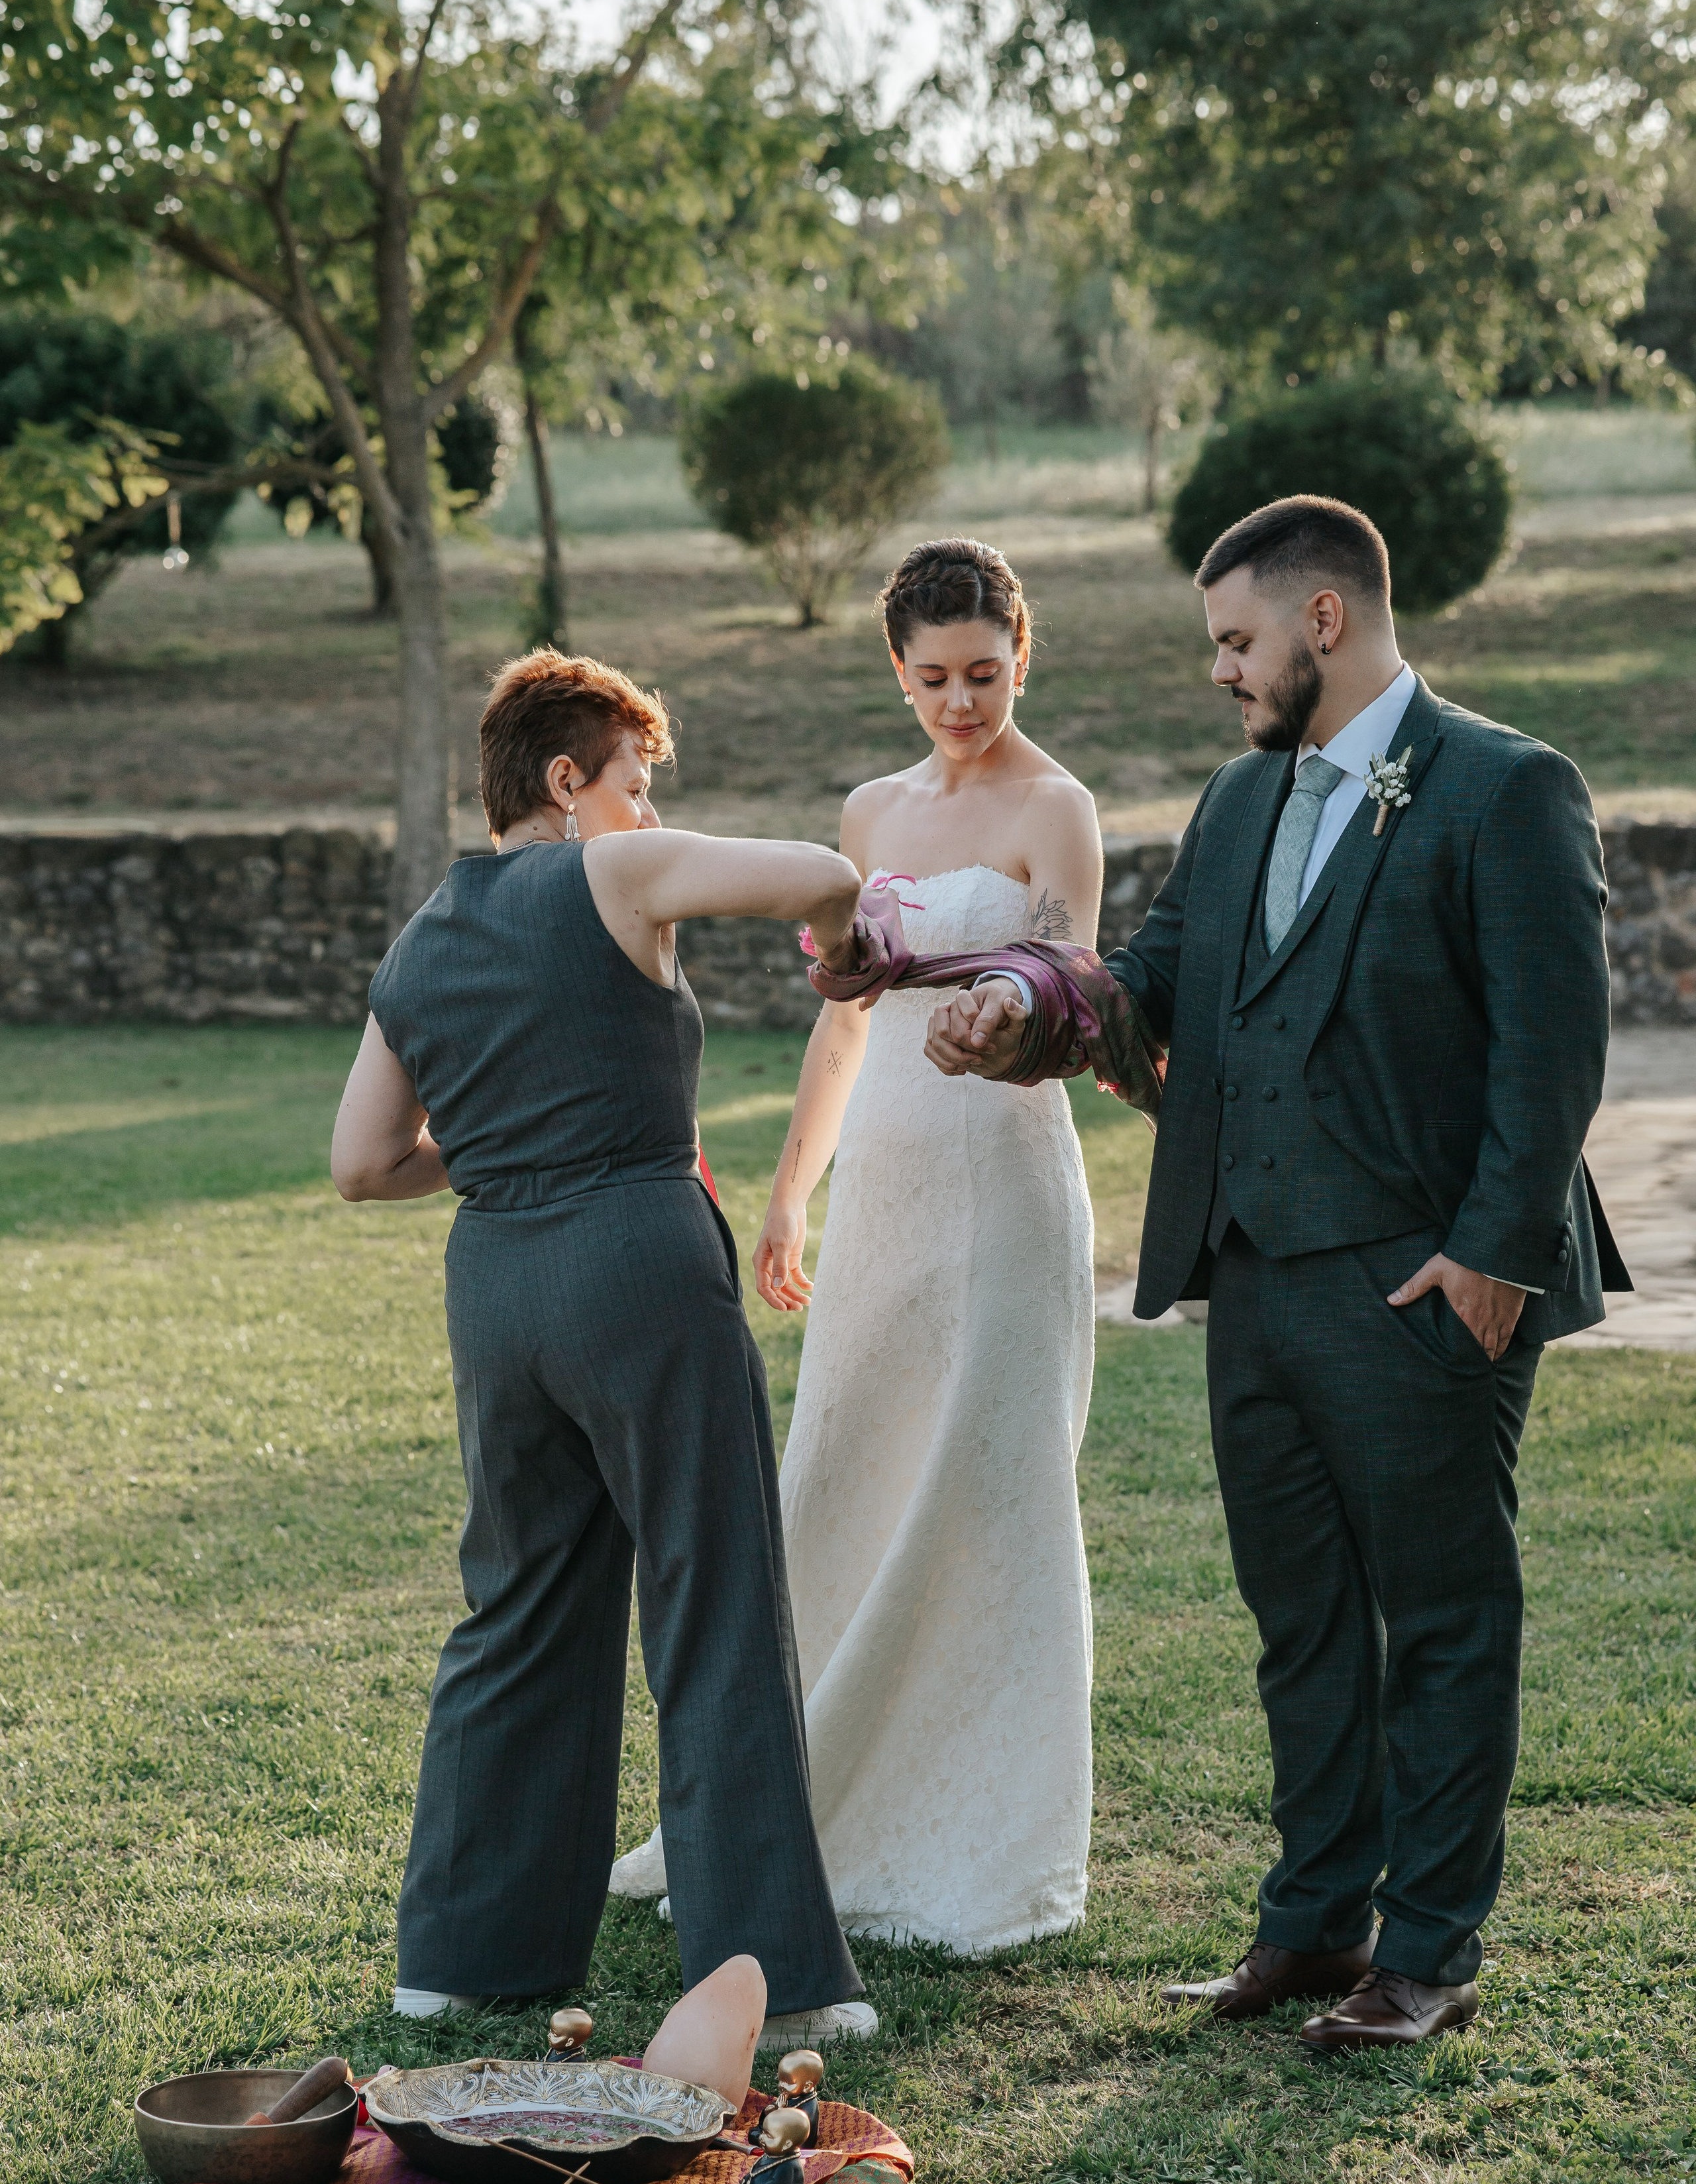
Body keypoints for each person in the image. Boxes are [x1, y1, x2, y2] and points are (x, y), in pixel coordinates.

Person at [928, 497, 1628, 2049]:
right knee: (1299, 1620)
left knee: (1440, 1620)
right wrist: (1022, 1007)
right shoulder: (1241, 797)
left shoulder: (1505, 786)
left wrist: (1491, 1258)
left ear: (1324, 619)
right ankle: (1312, 1931)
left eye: (1235, 640)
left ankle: (1425, 1953)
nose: (1220, 671)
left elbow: (1550, 1045)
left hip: (1423, 1285)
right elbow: (1153, 978)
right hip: (1249, 1276)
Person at [330, 648, 874, 2051]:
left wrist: (499, 1153)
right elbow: (821, 869)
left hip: (496, 1288)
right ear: (566, 780)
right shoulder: (615, 872)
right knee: (713, 1602)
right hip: (638, 1261)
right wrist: (845, 946)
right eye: (636, 783)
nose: (647, 811)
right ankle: (775, 1979)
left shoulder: (422, 937)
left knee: (515, 1608)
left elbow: (362, 1164)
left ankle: (462, 1960)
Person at [611, 539, 1103, 1951]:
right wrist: (789, 1195)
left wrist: (1011, 1014)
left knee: (994, 1489)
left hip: (1003, 1176)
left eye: (985, 674)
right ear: (896, 670)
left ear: (1022, 656)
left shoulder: (1057, 808)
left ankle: (981, 1841)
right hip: (885, 1172)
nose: (961, 703)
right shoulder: (869, 814)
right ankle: (798, 1804)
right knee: (840, 1471)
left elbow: (1071, 987)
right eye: (933, 678)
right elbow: (842, 1021)